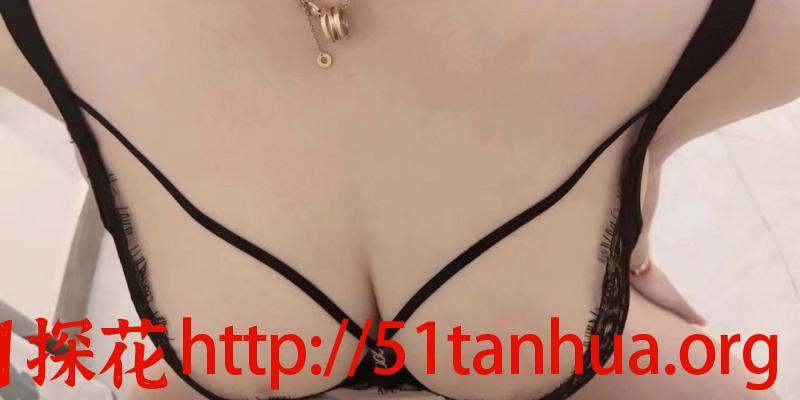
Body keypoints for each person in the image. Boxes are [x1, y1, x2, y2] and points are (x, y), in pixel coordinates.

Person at [1, 1, 797, 399]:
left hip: (227, 343)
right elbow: (659, 128)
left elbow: (100, 153)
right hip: (533, 326)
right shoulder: (756, 19)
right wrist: (632, 215)